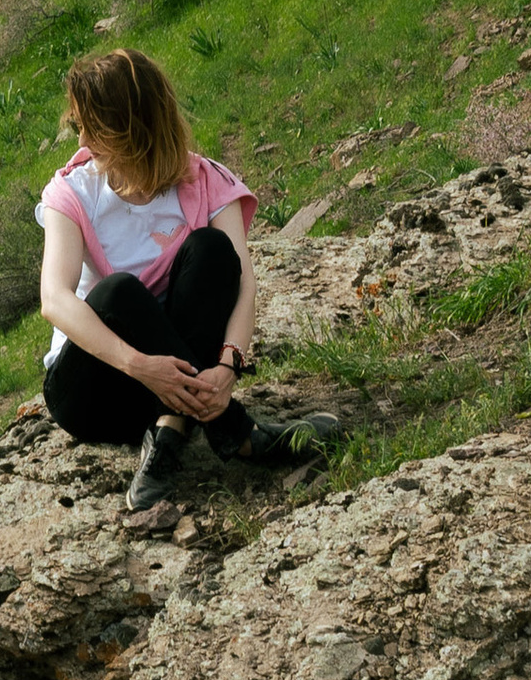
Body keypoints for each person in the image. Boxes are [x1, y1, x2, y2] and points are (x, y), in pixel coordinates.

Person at [34, 46, 333, 515]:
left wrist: (228, 366)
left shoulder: (205, 179)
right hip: (96, 387)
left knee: (214, 253)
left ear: (129, 126)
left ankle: (170, 428)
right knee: (118, 292)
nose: (84, 138)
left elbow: (242, 283)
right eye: (80, 126)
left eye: (92, 125)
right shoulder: (72, 193)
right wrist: (139, 365)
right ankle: (237, 433)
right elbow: (54, 299)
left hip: (172, 384)